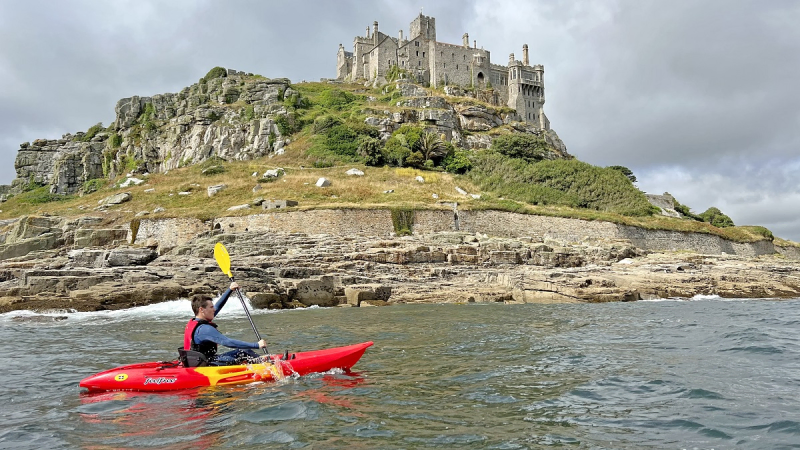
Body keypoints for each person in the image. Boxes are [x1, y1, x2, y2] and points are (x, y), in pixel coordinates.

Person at [184, 282, 267, 365]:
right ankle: (266, 364)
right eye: (211, 307)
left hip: (198, 362)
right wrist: (256, 345)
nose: (214, 310)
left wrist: (230, 290)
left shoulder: (196, 321)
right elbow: (228, 342)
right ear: (201, 310)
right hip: (206, 364)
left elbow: (218, 306)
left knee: (243, 354)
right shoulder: (204, 329)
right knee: (244, 352)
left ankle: (259, 361)